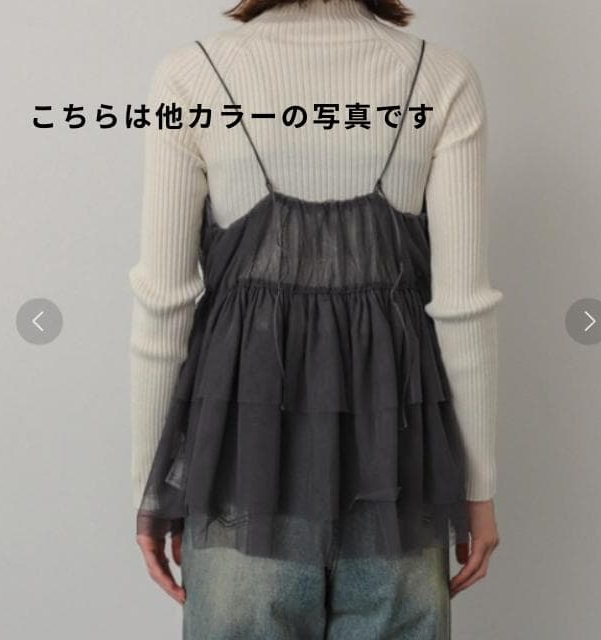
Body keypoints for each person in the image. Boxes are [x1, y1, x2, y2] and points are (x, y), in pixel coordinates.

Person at [129, 1, 503, 637]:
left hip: (237, 470)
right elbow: (463, 308)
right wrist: (477, 488)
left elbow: (163, 302)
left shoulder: (192, 76)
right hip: (398, 466)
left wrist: (153, 490)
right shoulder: (441, 77)